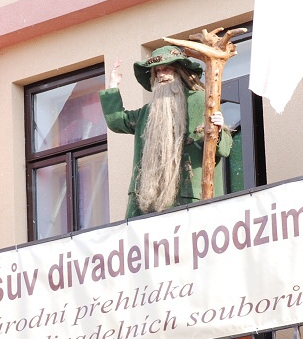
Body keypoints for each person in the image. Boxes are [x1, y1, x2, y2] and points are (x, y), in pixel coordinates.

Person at [99, 45, 232, 218]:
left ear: (179, 72)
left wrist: (218, 130)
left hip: (191, 196)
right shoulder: (148, 112)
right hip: (150, 203)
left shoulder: (200, 100)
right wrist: (113, 86)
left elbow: (225, 148)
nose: (161, 75)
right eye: (157, 71)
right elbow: (118, 121)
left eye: (166, 69)